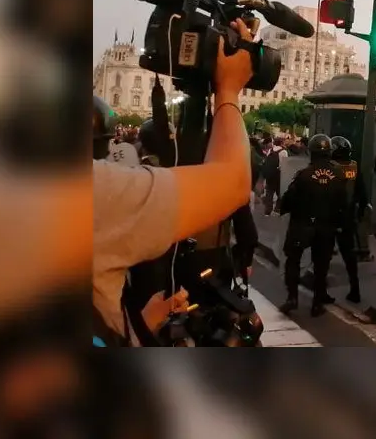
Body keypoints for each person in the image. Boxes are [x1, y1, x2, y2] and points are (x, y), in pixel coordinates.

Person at [93, 18, 256, 339]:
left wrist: (138, 324)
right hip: (205, 269)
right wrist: (228, 90)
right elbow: (235, 186)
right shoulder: (99, 193)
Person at [277, 133, 347, 317]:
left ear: (311, 152)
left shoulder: (303, 175)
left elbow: (287, 201)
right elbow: (344, 204)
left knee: (293, 260)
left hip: (302, 225)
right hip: (326, 227)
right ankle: (317, 303)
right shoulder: (339, 175)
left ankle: (292, 298)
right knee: (321, 265)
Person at [330, 135, 369, 303]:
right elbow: (362, 194)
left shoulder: (330, 167)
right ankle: (355, 289)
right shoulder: (354, 167)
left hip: (330, 217)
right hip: (348, 218)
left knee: (322, 254)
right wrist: (359, 212)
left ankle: (320, 293)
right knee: (349, 256)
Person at [261, 136, 288, 216]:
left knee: (269, 192)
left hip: (270, 175)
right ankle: (277, 209)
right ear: (282, 143)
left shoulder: (270, 150)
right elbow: (284, 166)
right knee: (281, 193)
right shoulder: (284, 152)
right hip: (279, 175)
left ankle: (267, 211)